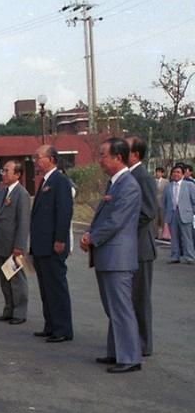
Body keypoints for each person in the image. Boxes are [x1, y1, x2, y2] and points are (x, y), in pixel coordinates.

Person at [80, 138, 142, 373]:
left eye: (103, 155)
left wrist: (92, 238)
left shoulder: (128, 185)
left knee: (121, 308)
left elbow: (115, 221)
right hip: (108, 256)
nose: (100, 160)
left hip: (118, 258)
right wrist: (89, 233)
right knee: (112, 308)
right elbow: (102, 217)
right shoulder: (114, 184)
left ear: (118, 157)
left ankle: (130, 357)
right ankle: (116, 351)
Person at [30, 145, 74, 343]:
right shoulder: (45, 181)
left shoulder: (60, 181)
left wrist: (60, 240)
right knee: (46, 289)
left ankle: (63, 328)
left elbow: (64, 213)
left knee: (56, 288)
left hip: (52, 245)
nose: (35, 161)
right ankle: (51, 325)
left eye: (38, 157)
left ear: (51, 159)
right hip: (41, 245)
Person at [125, 137, 157, 357]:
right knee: (130, 298)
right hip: (130, 248)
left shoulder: (142, 176)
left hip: (140, 247)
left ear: (135, 154)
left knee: (140, 298)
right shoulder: (130, 175)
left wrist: (122, 228)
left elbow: (147, 212)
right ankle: (132, 339)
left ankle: (144, 343)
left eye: (124, 149)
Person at [0, 160, 30, 325]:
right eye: (3, 171)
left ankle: (20, 312)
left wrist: (19, 246)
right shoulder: (2, 192)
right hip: (1, 242)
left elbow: (23, 222)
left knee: (17, 279)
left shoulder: (22, 194)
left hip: (15, 245)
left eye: (7, 171)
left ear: (17, 174)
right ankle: (9, 309)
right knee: (4, 279)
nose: (4, 174)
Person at [162, 163, 195, 264]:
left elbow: (194, 200)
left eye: (178, 172)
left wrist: (191, 212)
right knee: (174, 237)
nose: (176, 174)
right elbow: (164, 202)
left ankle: (190, 257)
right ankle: (175, 256)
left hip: (185, 214)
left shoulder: (189, 185)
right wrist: (166, 214)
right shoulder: (168, 186)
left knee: (187, 237)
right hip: (172, 214)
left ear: (183, 174)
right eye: (174, 172)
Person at [154, 167, 168, 239]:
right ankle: (155, 234)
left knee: (163, 219)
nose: (158, 173)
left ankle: (164, 235)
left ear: (162, 173)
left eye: (159, 172)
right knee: (155, 220)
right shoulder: (153, 181)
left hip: (163, 203)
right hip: (155, 203)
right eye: (157, 172)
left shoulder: (166, 181)